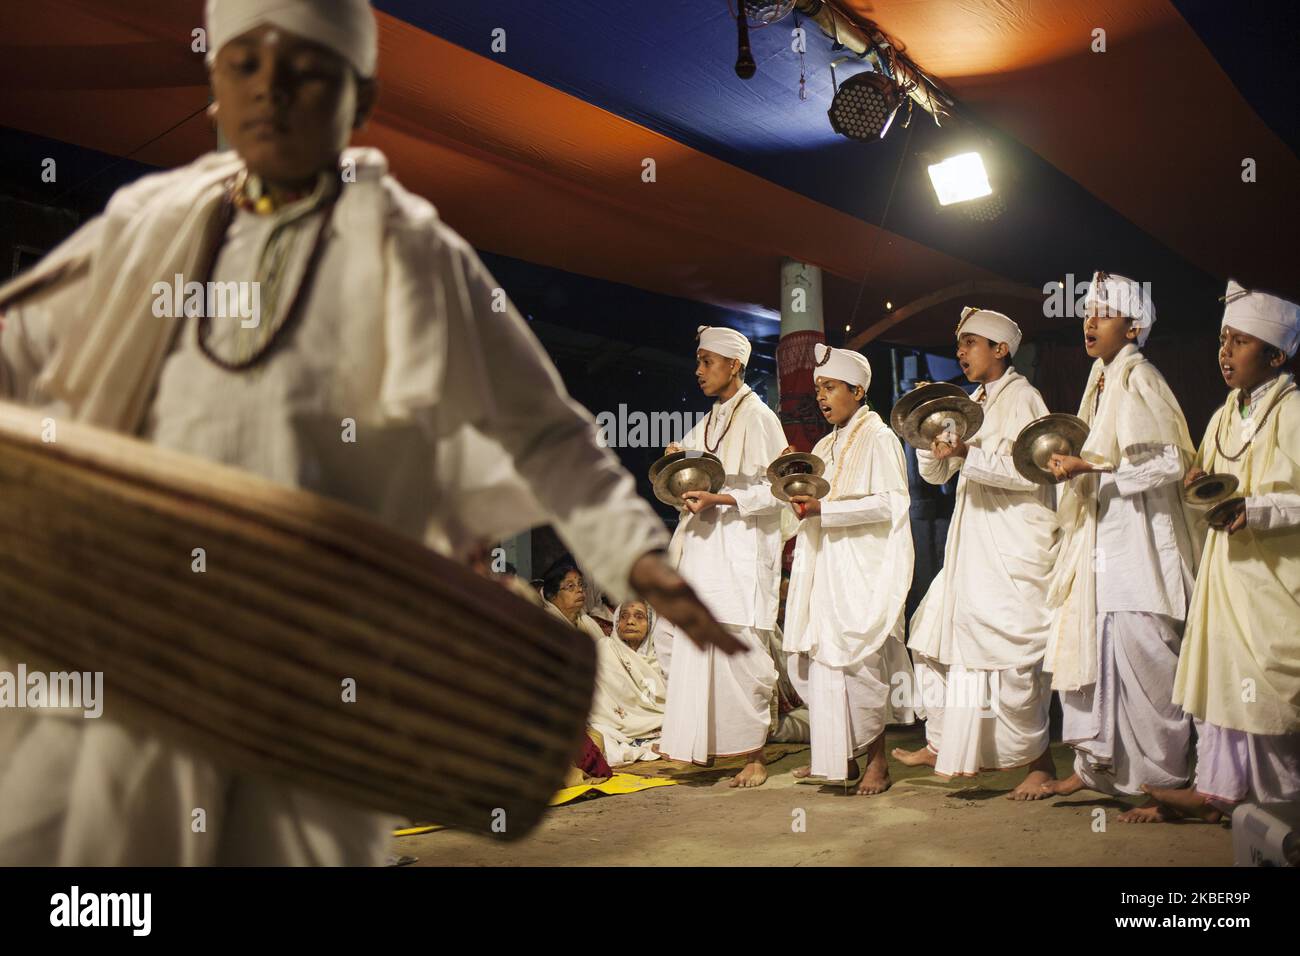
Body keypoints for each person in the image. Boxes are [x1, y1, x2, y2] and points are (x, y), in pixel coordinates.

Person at [0, 0, 735, 866]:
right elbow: (25, 341)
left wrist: (631, 553)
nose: (269, 96)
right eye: (244, 69)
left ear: (356, 97)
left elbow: (540, 423)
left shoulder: (409, 248)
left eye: (302, 75)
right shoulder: (152, 221)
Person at [1037, 272, 1201, 822]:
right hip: (1103, 545)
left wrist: (1094, 465)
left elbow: (1170, 462)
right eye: (1087, 312)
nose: (1089, 320)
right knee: (1102, 655)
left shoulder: (1139, 378)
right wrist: (1074, 465)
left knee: (1149, 657)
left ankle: (1167, 785)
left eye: (1102, 313)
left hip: (1139, 548)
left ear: (1133, 327)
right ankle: (1101, 771)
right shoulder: (1101, 380)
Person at [1146, 281, 1300, 820]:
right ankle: (1218, 790)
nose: (1225, 352)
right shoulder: (1222, 416)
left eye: (1239, 342)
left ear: (1277, 355)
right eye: (1223, 340)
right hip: (1228, 573)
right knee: (1225, 679)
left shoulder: (1293, 412)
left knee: (1266, 689)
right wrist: (1198, 486)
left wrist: (1256, 510)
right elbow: (1210, 496)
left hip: (1274, 579)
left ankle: (1282, 802)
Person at [895, 309, 1061, 800]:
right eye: (959, 343)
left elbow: (1034, 469)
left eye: (970, 342)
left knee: (1010, 661)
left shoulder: (1024, 398)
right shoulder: (970, 402)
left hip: (1012, 545)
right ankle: (947, 742)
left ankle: (1041, 764)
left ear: (1001, 348)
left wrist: (969, 454)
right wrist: (931, 436)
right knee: (932, 640)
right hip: (971, 547)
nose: (961, 352)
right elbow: (935, 477)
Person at [654, 325, 787, 787]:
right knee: (683, 642)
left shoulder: (760, 417)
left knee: (739, 654)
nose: (699, 371)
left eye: (707, 362)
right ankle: (704, 746)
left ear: (734, 364)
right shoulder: (709, 420)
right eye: (698, 362)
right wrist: (676, 460)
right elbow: (688, 479)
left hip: (739, 557)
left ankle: (753, 755)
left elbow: (781, 492)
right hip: (701, 552)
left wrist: (722, 500)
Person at [782, 345, 915, 794]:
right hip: (824, 565)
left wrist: (826, 508)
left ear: (858, 390)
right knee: (818, 660)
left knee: (859, 665)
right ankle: (837, 757)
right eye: (819, 388)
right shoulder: (824, 445)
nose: (822, 396)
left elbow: (892, 503)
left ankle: (878, 762)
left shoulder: (880, 438)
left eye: (831, 387)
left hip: (860, 567)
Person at [588, 600, 668, 766]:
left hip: (659, 726)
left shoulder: (662, 656)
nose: (630, 621)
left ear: (651, 624)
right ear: (617, 623)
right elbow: (598, 703)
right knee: (597, 738)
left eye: (639, 616)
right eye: (624, 616)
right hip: (613, 728)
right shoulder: (605, 649)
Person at [542, 562, 607, 642]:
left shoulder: (587, 623)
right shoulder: (546, 627)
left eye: (580, 584)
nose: (580, 590)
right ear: (552, 595)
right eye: (570, 586)